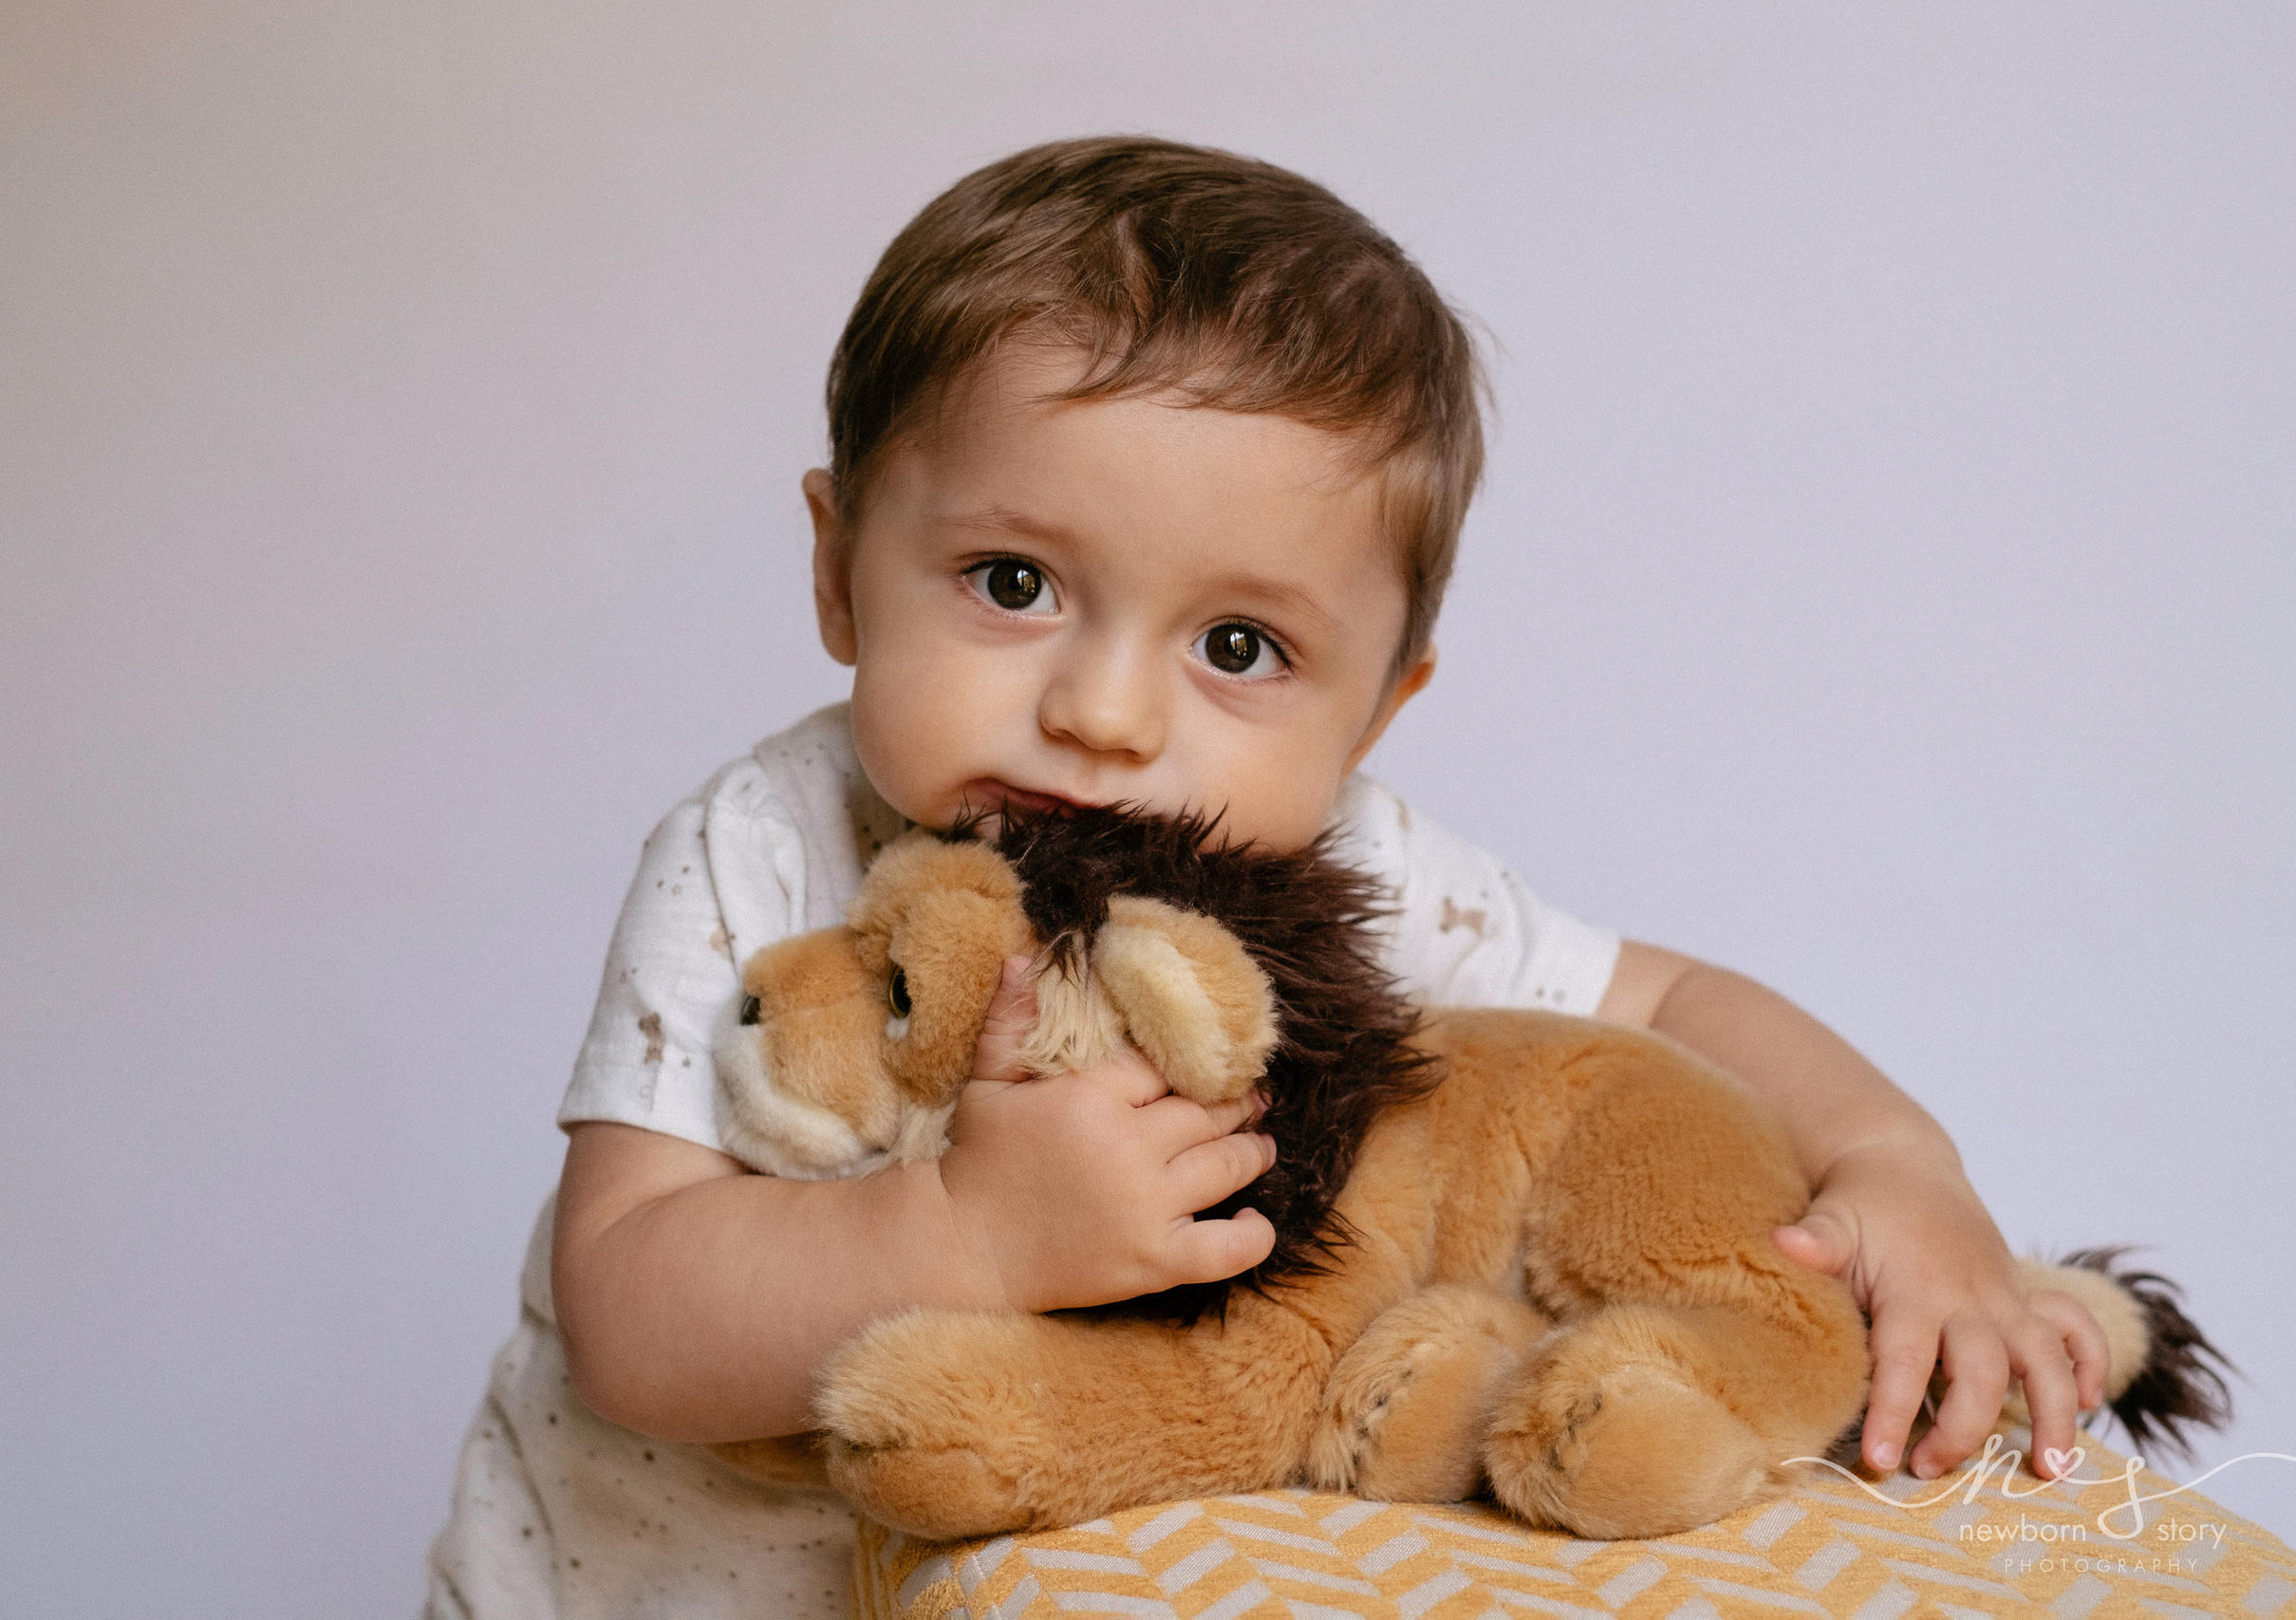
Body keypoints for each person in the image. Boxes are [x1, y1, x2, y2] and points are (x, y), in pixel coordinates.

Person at [427, 136, 2112, 1620]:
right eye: (1011, 580)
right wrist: (962, 1229)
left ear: (1382, 707)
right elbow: (631, 1324)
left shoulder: (1352, 865)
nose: (1100, 713)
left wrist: (1900, 1166)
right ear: (838, 568)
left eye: (1239, 644)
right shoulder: (763, 844)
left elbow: (1669, 1004)